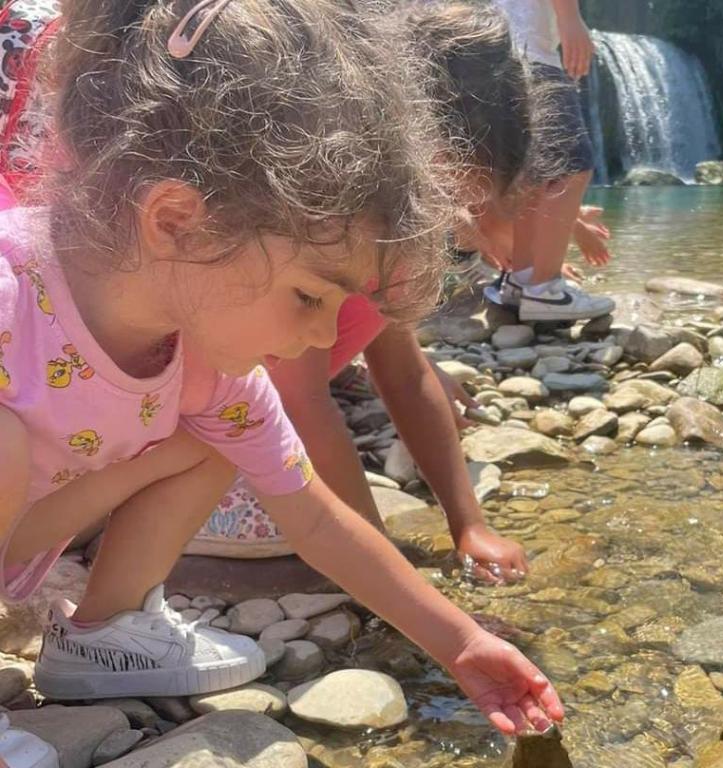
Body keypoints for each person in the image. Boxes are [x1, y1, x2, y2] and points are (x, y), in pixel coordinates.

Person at [0, 0, 562, 737]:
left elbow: (315, 519)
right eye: (309, 296)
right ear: (177, 223)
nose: (325, 335)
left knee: (216, 440)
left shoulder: (210, 368)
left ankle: (105, 635)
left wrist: (460, 642)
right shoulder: (12, 295)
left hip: (22, 539)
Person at [187, 1, 535, 583]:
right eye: (439, 196)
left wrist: (468, 523)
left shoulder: (399, 230)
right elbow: (301, 399)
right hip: (192, 428)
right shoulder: (320, 223)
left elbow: (405, 373)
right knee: (295, 530)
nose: (445, 220)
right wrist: (383, 565)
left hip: (257, 416)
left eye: (464, 205)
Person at [490, 0, 614, 322]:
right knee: (571, 168)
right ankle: (545, 290)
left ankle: (521, 281)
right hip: (533, 54)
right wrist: (570, 17)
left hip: (500, 53)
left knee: (532, 176)